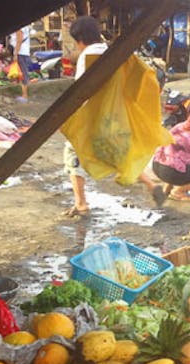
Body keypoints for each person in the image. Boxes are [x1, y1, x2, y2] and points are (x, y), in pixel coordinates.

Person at [62, 16, 107, 217]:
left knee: (73, 153)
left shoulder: (87, 56)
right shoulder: (109, 51)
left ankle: (81, 203)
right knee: (118, 154)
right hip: (112, 114)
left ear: (79, 39)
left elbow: (82, 91)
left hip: (91, 114)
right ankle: (150, 184)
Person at [11, 24, 33, 103]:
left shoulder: (19, 28)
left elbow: (19, 40)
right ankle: (24, 94)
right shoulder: (25, 26)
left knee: (23, 74)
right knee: (23, 73)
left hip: (21, 52)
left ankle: (24, 96)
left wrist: (15, 53)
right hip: (24, 52)